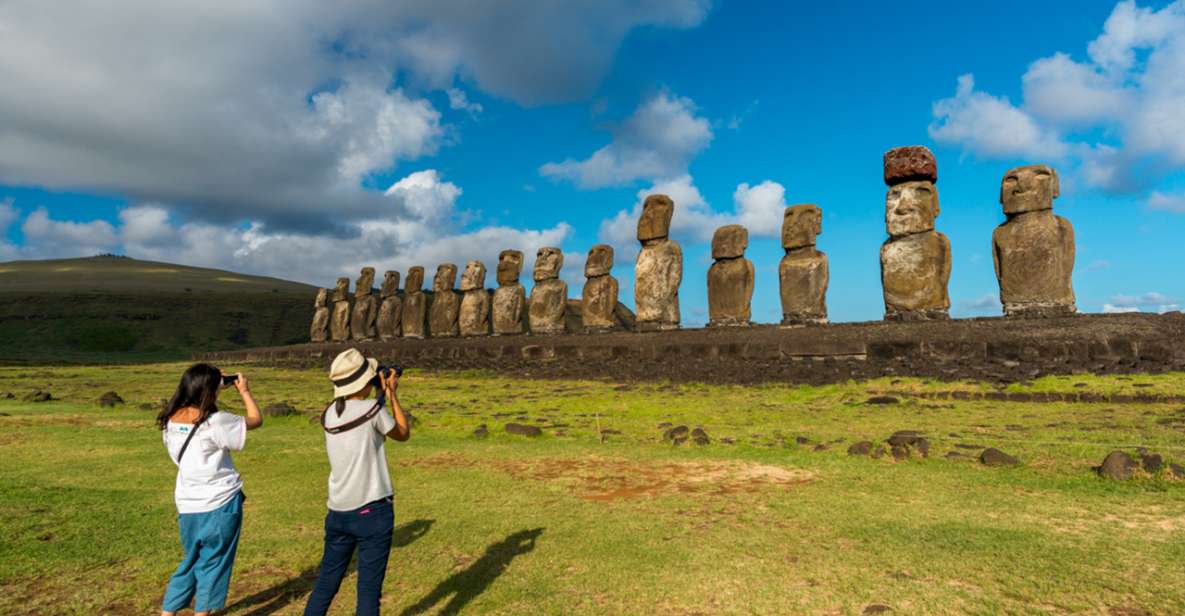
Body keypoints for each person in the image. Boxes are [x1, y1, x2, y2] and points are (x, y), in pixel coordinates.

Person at [304, 348, 411, 616]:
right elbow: (402, 432)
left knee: (325, 584)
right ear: (365, 380)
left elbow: (363, 418)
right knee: (368, 592)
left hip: (338, 510)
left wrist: (377, 394)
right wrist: (391, 393)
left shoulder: (329, 413)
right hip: (372, 511)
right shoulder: (372, 410)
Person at [157, 363, 262, 616]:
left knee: (191, 560)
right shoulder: (215, 421)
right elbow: (256, 420)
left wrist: (216, 387)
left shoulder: (169, 420)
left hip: (187, 502)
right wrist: (244, 391)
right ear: (210, 390)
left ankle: (167, 612)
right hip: (220, 502)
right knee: (215, 562)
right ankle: (202, 612)